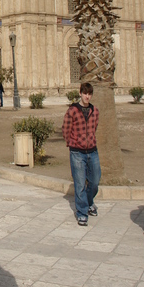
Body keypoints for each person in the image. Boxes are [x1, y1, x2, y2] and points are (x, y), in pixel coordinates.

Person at [62, 82, 100, 226]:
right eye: (85, 93)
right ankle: (82, 212)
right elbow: (65, 128)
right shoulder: (72, 110)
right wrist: (72, 142)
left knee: (95, 180)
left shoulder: (94, 111)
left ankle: (89, 201)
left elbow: (94, 126)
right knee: (79, 183)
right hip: (77, 151)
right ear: (80, 94)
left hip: (92, 150)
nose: (87, 96)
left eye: (89, 94)